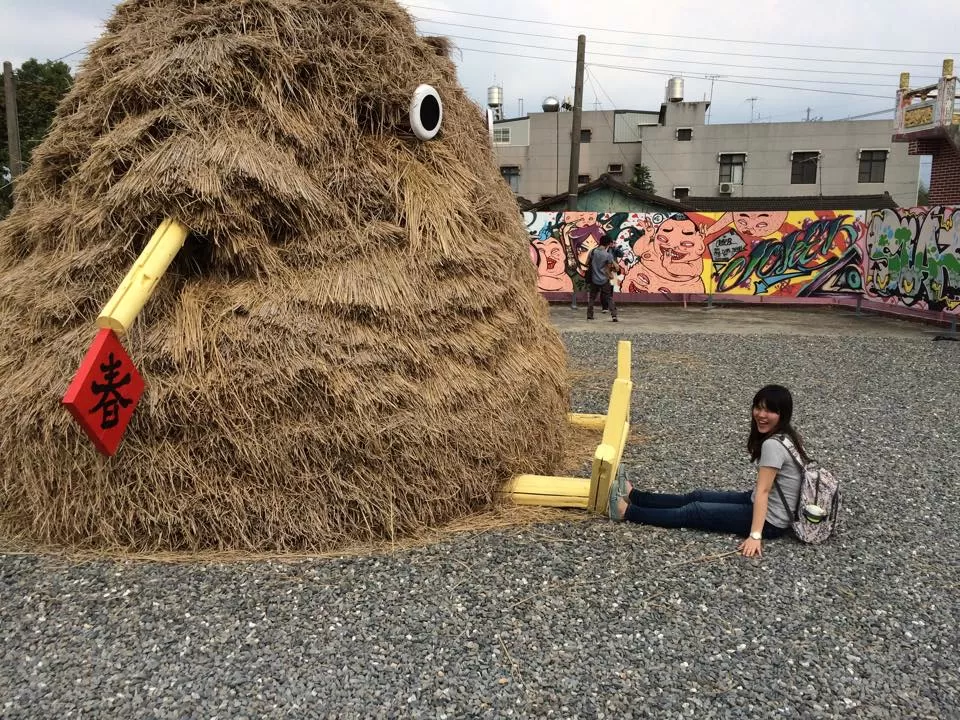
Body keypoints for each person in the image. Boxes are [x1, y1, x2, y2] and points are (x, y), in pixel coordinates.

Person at [610, 384, 808, 557]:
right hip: (762, 503)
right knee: (696, 496)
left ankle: (627, 511)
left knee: (694, 512)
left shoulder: (773, 445)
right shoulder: (790, 436)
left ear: (783, 414)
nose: (761, 415)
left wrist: (755, 535)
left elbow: (764, 490)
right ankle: (634, 495)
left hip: (770, 521)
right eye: (758, 408)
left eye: (770, 411)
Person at [586, 236, 618, 322]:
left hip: (593, 279)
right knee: (609, 297)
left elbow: (586, 263)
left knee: (592, 297)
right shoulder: (608, 255)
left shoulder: (592, 252)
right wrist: (610, 275)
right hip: (604, 279)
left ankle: (589, 315)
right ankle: (614, 316)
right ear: (608, 244)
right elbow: (607, 270)